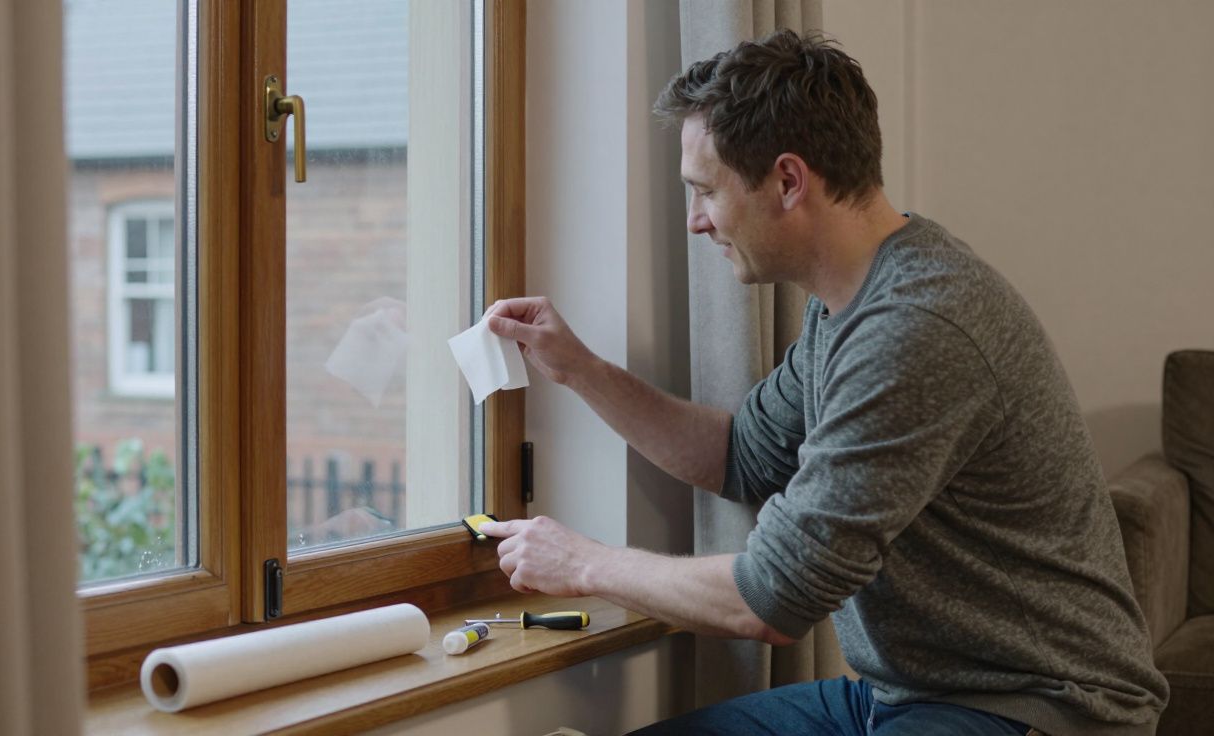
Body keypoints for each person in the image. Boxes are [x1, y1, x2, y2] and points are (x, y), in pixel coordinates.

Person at [476, 29, 1167, 736]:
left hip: (1039, 707)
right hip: (907, 695)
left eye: (706, 192)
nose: (694, 221)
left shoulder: (917, 326)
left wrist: (584, 563)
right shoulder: (847, 305)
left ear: (787, 181)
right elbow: (741, 456)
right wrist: (582, 371)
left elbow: (772, 599)